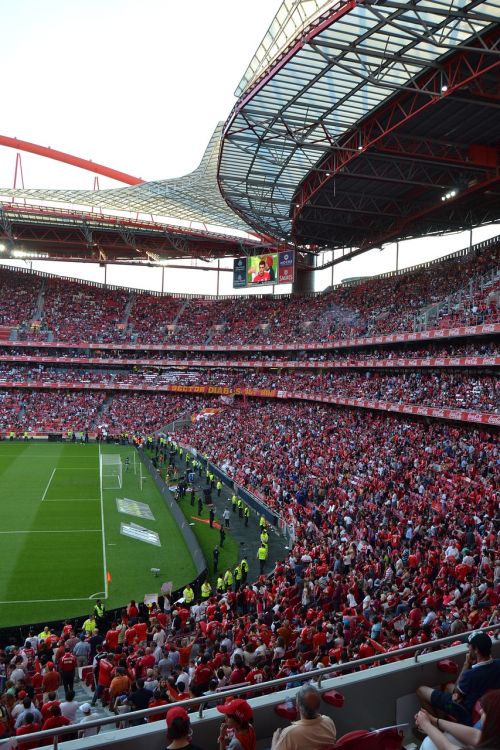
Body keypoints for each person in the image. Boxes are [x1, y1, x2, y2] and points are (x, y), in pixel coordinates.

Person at [417, 632, 500, 725]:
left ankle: (435, 726)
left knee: (421, 690)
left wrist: (466, 664)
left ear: (476, 649)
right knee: (448, 686)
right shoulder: (498, 663)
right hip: (485, 705)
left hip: (465, 711)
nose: (468, 649)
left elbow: (456, 694)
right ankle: (443, 721)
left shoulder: (471, 675)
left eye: (469, 646)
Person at [414, 689, 500, 750]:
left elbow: (446, 747)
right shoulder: (494, 740)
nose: (480, 711)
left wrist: (426, 725)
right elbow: (476, 736)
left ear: (493, 723)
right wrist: (435, 721)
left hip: (462, 709)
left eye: (485, 712)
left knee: (427, 744)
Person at [271, 684, 336, 750]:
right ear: (319, 706)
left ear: (298, 708)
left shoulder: (289, 733)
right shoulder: (329, 721)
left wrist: (275, 739)